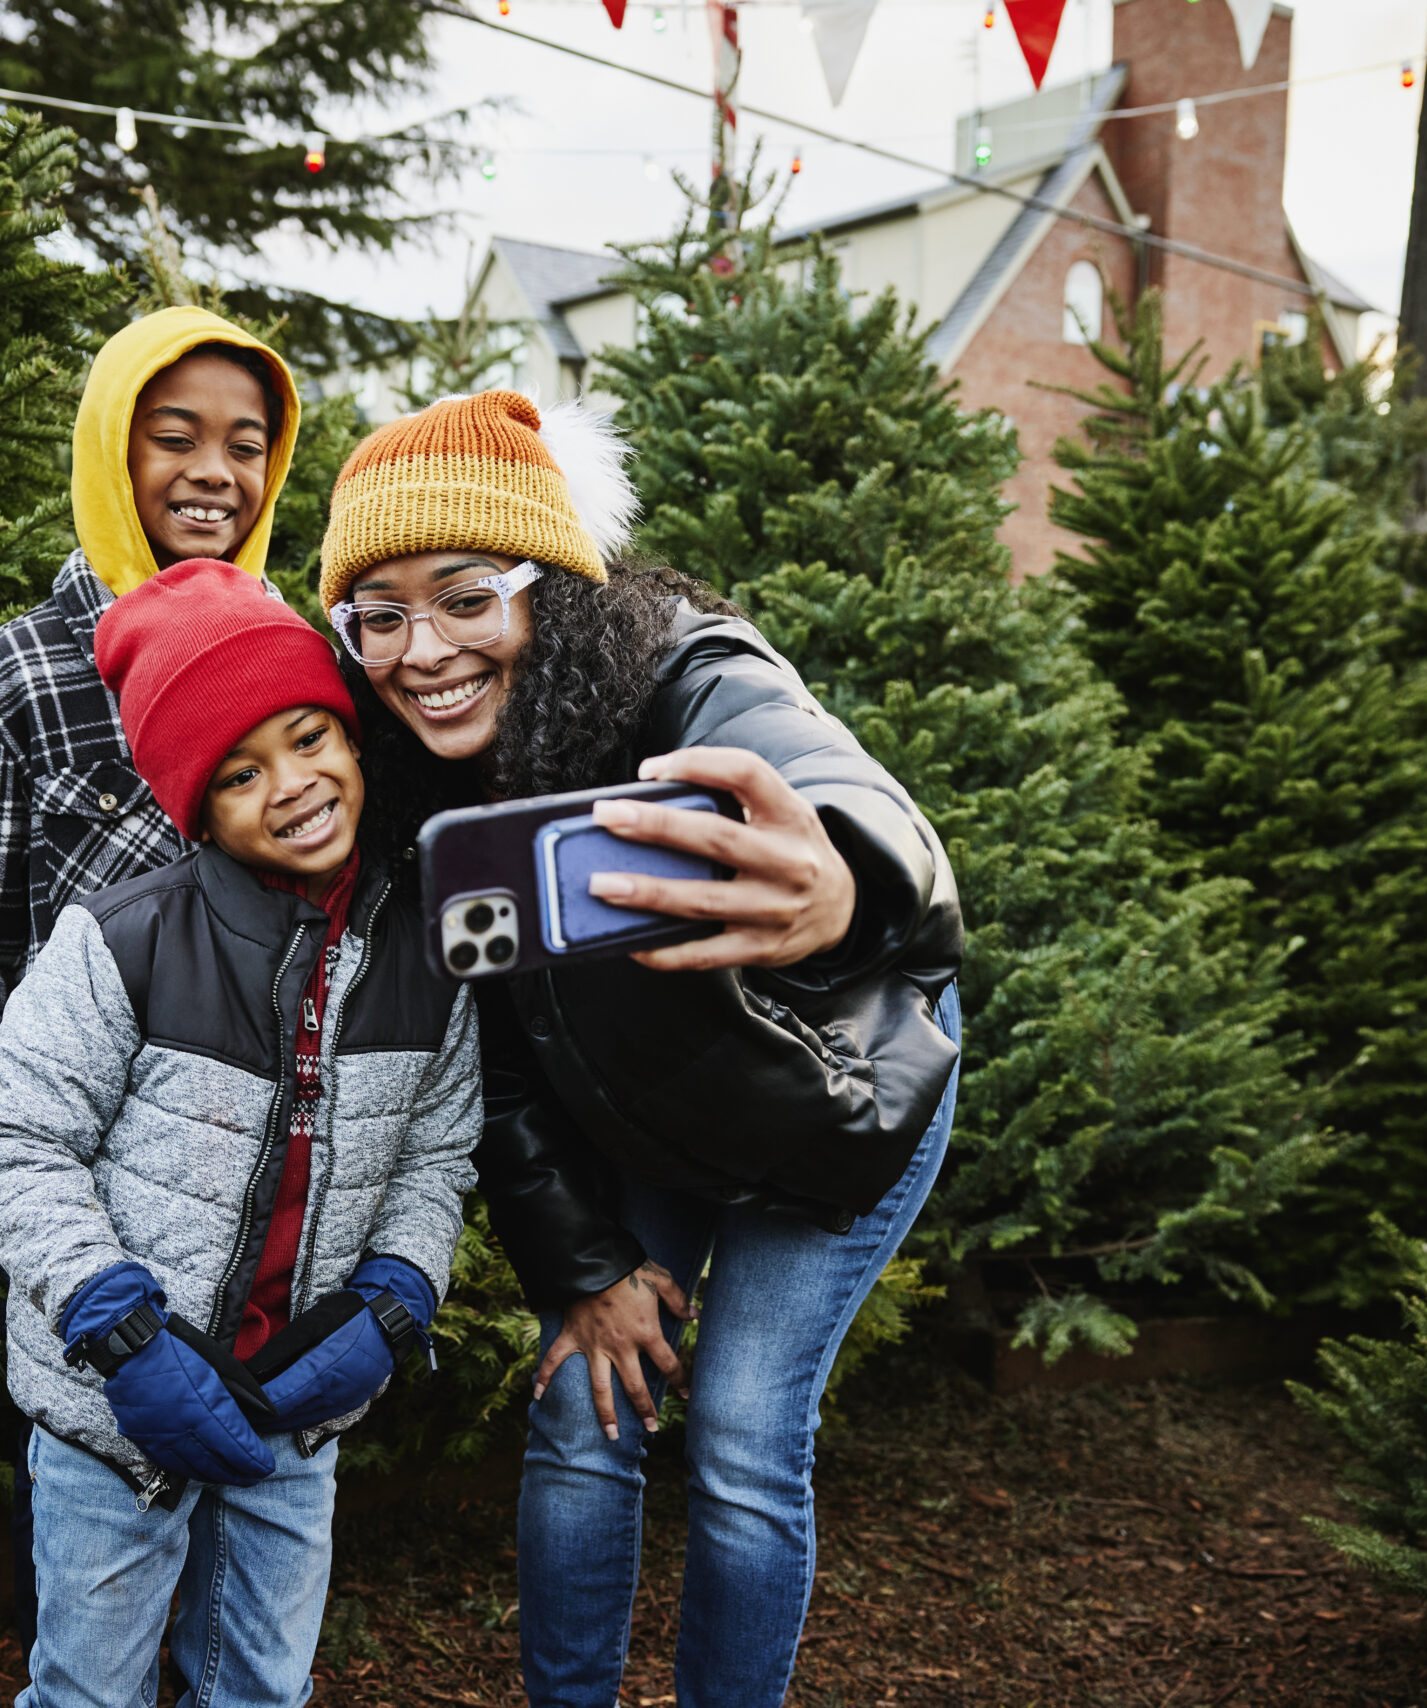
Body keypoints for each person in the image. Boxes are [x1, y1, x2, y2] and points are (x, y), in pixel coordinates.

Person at [317, 390, 965, 1708]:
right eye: (378, 615)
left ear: (550, 590)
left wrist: (845, 884)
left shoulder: (684, 670)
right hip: (645, 1118)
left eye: (462, 596)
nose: (420, 650)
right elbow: (487, 1060)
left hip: (828, 1094)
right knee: (581, 1407)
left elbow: (839, 791)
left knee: (738, 1430)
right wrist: (588, 1260)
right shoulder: (413, 778)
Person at [0, 556, 479, 1708]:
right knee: (90, 1692)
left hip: (295, 1410)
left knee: (260, 1685)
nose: (290, 784)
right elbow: (17, 1140)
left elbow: (438, 1151)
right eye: (240, 773)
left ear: (350, 733)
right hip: (117, 1415)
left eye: (308, 738)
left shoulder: (423, 954)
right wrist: (117, 1329)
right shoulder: (122, 942)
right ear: (195, 803)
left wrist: (395, 1298)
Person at [0, 307, 301, 1645]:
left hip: (260, 1189)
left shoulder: (290, 662)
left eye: (247, 445)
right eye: (173, 437)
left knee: (245, 1572)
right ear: (111, 451)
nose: (213, 475)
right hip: (77, 1190)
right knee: (96, 1540)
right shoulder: (16, 681)